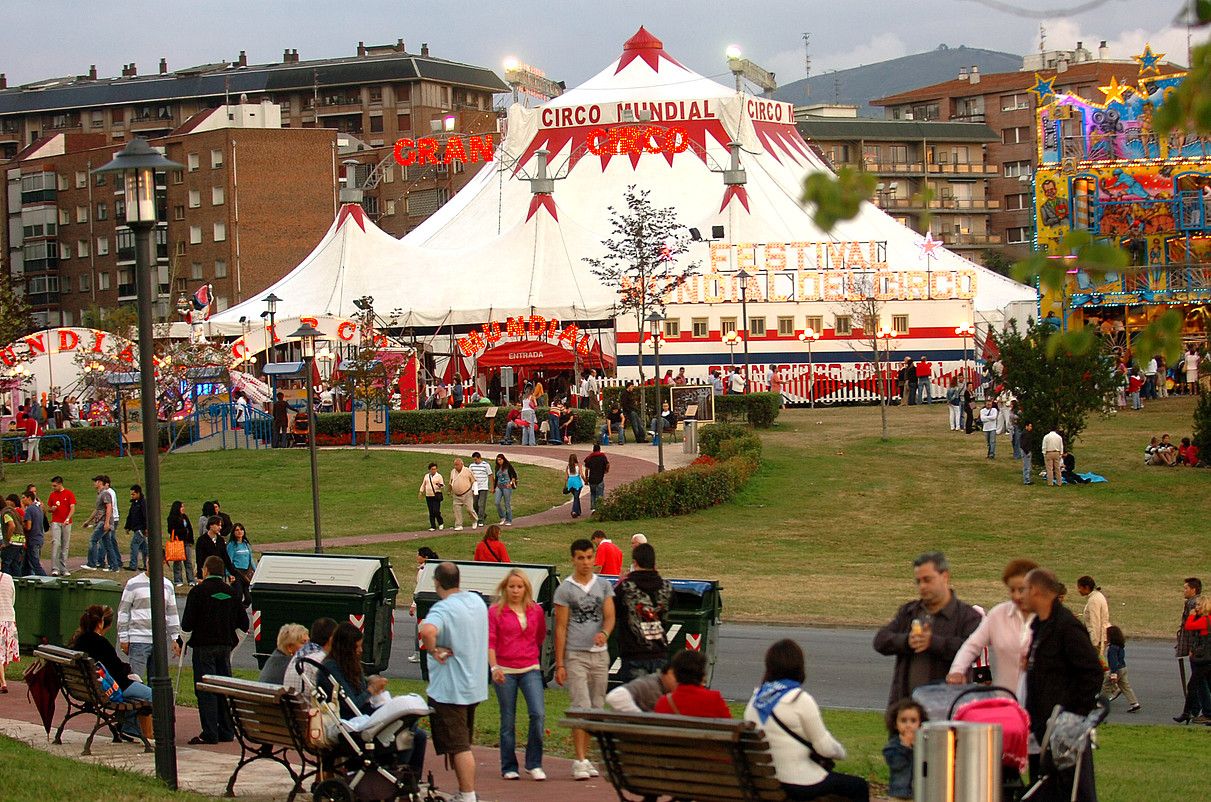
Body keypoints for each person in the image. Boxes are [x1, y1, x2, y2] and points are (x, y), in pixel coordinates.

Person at [744, 639, 869, 801]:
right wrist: (841, 752)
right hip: (798, 781)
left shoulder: (755, 699)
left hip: (764, 781)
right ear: (799, 667)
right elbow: (826, 748)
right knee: (858, 786)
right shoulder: (799, 699)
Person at [1022, 568, 1103, 801]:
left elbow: (1092, 673)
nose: (1021, 596)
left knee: (1073, 793)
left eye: (1025, 590)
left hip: (1065, 733)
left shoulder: (1066, 626)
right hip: (1042, 731)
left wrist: (1072, 717)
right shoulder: (1039, 626)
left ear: (1037, 591)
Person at [418, 562, 489, 802]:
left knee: (459, 745)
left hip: (449, 688)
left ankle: (467, 794)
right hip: (474, 684)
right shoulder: (476, 602)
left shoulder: (442, 609)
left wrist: (433, 650)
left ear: (437, 582)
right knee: (464, 740)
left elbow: (427, 631)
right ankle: (464, 791)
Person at [873, 551, 982, 707]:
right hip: (906, 712)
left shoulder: (967, 616)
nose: (922, 586)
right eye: (918, 581)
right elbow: (880, 641)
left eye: (927, 580)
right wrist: (906, 641)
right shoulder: (909, 612)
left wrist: (933, 642)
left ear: (945, 576)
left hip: (947, 711)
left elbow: (972, 649)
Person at [554, 538, 615, 781]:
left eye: (590, 557)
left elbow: (610, 617)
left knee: (596, 707)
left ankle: (588, 757)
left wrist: (605, 633)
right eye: (581, 558)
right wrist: (560, 663)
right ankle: (578, 759)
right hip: (576, 654)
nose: (586, 562)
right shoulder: (565, 590)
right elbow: (560, 627)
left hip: (600, 655)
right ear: (573, 559)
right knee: (580, 706)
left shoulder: (603, 585)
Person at [947, 558, 1039, 700]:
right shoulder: (998, 615)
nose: (1016, 596)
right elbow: (972, 645)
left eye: (1021, 590)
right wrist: (957, 671)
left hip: (1042, 702)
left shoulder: (1049, 617)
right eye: (1012, 590)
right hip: (1007, 700)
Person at [181, 555, 249, 744]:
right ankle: (227, 730)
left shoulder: (198, 592)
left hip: (203, 647)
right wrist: (232, 641)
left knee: (206, 689)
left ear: (206, 570)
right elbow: (244, 622)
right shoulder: (231, 593)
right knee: (223, 688)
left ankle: (210, 731)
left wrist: (181, 642)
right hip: (224, 647)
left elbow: (187, 623)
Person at [488, 568, 547, 781]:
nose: (515, 590)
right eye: (511, 586)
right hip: (505, 670)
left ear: (526, 589)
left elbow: (540, 636)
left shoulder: (535, 611)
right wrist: (495, 668)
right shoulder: (495, 612)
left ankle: (534, 762)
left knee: (538, 714)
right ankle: (509, 765)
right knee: (508, 719)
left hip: (529, 667)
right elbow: (491, 642)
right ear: (505, 588)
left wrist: (530, 655)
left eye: (519, 587)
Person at [70, 605, 154, 740]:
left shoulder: (79, 640)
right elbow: (116, 669)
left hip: (90, 687)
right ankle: (130, 728)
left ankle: (127, 726)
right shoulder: (100, 643)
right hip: (112, 688)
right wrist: (129, 672)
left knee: (137, 691)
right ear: (100, 623)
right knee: (154, 695)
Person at [614, 542, 671, 683]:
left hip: (634, 653)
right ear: (654, 563)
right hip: (659, 652)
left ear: (635, 562)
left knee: (635, 702)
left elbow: (613, 611)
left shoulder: (626, 588)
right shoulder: (667, 587)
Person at [117, 563, 182, 680]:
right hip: (138, 639)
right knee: (136, 679)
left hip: (159, 641)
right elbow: (123, 611)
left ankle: (154, 699)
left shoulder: (167, 585)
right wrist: (123, 638)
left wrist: (175, 638)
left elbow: (172, 613)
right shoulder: (133, 584)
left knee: (157, 681)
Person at [653, 649, 729, 716]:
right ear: (702, 674)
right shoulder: (714, 699)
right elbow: (729, 725)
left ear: (676, 673)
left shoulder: (664, 702)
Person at [882, 699, 927, 801]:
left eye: (913, 721)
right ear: (895, 724)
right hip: (899, 795)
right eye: (903, 721)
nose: (908, 725)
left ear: (920, 723)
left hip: (918, 793)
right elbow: (897, 764)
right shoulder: (894, 745)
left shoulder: (923, 743)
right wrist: (906, 747)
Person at [1177, 593, 1211, 724]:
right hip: (1205, 658)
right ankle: (1192, 712)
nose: (1195, 607)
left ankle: (1192, 713)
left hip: (1204, 659)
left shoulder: (1205, 620)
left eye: (1198, 605)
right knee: (1203, 685)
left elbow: (1189, 626)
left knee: (1192, 686)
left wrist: (1191, 615)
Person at [284, 616, 338, 695]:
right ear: (331, 639)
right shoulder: (321, 660)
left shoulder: (297, 656)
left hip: (294, 706)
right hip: (311, 706)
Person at [605, 662, 675, 712]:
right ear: (669, 672)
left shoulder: (657, 680)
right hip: (620, 698)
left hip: (618, 696)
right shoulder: (654, 685)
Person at [85, 475, 120, 572]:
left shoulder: (105, 494)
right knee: (107, 544)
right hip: (102, 521)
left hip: (103, 521)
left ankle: (91, 563)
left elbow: (109, 508)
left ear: (100, 482)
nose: (94, 483)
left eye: (95, 481)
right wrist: (88, 521)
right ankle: (114, 566)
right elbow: (97, 510)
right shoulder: (100, 494)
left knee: (93, 540)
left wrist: (107, 523)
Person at [1102, 625, 1141, 713]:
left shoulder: (1112, 648)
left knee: (1106, 686)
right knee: (1126, 687)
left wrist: (1113, 673)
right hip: (1123, 668)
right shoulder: (1120, 646)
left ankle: (1100, 703)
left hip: (1117, 670)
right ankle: (1134, 703)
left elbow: (1113, 662)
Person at [47, 476, 76, 577]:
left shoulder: (69, 493)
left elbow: (72, 508)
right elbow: (49, 508)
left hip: (66, 522)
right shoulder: (52, 495)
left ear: (60, 484)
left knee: (65, 545)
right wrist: (52, 509)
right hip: (56, 521)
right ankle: (55, 568)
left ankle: (63, 568)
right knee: (56, 543)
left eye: (55, 486)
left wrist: (68, 518)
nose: (53, 487)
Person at [1076, 576, 1110, 656]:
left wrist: (1094, 644)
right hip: (1100, 637)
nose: (1078, 590)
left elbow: (1095, 622)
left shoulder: (1093, 600)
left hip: (1097, 638)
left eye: (1080, 588)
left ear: (1086, 587)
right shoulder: (1096, 596)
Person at [195, 515, 236, 581]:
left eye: (220, 525)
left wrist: (233, 573)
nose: (220, 527)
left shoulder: (220, 540)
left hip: (219, 572)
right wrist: (200, 576)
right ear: (211, 525)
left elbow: (225, 557)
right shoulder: (201, 540)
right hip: (207, 572)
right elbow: (199, 559)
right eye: (217, 525)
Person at [226, 524, 256, 606]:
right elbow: (229, 561)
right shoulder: (232, 545)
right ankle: (235, 613)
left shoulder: (246, 544)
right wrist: (229, 574)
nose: (239, 532)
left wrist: (256, 571)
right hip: (237, 573)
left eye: (241, 529)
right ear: (233, 532)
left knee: (249, 598)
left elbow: (251, 560)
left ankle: (240, 611)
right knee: (238, 596)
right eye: (237, 530)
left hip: (246, 573)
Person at [167, 500, 196, 586]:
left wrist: (191, 539)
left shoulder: (185, 517)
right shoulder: (172, 518)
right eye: (181, 507)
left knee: (188, 562)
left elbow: (189, 528)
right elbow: (170, 530)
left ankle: (191, 580)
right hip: (177, 541)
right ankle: (178, 580)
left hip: (186, 541)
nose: (183, 509)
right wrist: (183, 531)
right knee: (178, 561)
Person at [20, 491, 46, 577]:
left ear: (29, 498)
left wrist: (21, 524)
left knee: (35, 564)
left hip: (33, 539)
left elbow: (28, 527)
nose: (22, 500)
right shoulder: (38, 508)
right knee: (27, 564)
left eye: (23, 498)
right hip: (39, 538)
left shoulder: (29, 509)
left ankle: (45, 579)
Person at [449, 458, 478, 531]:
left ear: (462, 464)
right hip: (456, 495)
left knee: (470, 509)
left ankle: (474, 520)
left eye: (457, 465)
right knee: (457, 510)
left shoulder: (467, 471)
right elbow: (451, 482)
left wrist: (475, 491)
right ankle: (458, 525)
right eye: (455, 465)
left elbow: (474, 481)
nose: (456, 466)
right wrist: (449, 491)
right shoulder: (453, 472)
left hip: (467, 493)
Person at [123, 485, 148, 572]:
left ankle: (133, 565)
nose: (132, 496)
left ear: (138, 493)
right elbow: (130, 516)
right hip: (136, 528)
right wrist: (127, 526)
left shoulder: (142, 503)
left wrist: (146, 528)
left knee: (134, 545)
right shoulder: (134, 503)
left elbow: (146, 516)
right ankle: (146, 565)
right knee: (144, 548)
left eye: (133, 494)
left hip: (140, 529)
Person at [0, 570, 16, 693]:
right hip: (9, 618)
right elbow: (13, 597)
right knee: (5, 653)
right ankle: (2, 679)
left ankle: (3, 682)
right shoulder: (9, 578)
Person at [491, 454, 517, 526]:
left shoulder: (508, 466)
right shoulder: (497, 467)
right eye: (498, 460)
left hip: (506, 486)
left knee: (507, 503)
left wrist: (511, 483)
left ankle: (509, 519)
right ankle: (502, 517)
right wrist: (494, 487)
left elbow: (514, 475)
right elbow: (496, 478)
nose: (499, 461)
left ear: (503, 459)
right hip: (499, 486)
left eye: (500, 459)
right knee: (497, 502)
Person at [468, 452, 492, 529]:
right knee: (474, 504)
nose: (475, 461)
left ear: (479, 458)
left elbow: (490, 475)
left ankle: (480, 520)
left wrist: (492, 486)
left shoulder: (486, 465)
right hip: (475, 487)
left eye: (476, 459)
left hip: (483, 487)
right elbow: (469, 476)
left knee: (481, 504)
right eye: (474, 460)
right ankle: (482, 514)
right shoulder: (471, 466)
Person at [0, 496, 23, 577]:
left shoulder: (6, 513)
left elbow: (12, 525)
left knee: (6, 563)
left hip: (13, 541)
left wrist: (8, 540)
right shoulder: (12, 511)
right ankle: (18, 583)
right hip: (20, 540)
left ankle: (4, 582)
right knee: (14, 564)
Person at [419, 462, 445, 531]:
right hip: (428, 496)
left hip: (436, 495)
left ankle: (440, 522)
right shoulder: (427, 476)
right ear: (430, 469)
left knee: (436, 510)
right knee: (431, 511)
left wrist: (439, 485)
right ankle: (433, 526)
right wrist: (421, 491)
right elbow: (423, 484)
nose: (434, 470)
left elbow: (442, 485)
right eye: (432, 469)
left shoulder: (439, 476)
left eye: (435, 469)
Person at [584, 444, 610, 512]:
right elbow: (607, 464)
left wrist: (586, 479)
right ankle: (600, 509)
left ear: (593, 449)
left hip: (591, 479)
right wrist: (606, 470)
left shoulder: (590, 457)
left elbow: (586, 469)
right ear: (599, 449)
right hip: (600, 478)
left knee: (593, 494)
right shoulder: (602, 456)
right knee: (600, 495)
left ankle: (593, 509)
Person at [565, 453, 585, 518]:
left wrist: (566, 484)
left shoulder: (568, 466)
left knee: (576, 497)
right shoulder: (578, 465)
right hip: (577, 483)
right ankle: (574, 511)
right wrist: (585, 481)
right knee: (576, 497)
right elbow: (581, 475)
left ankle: (578, 511)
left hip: (570, 483)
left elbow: (566, 477)